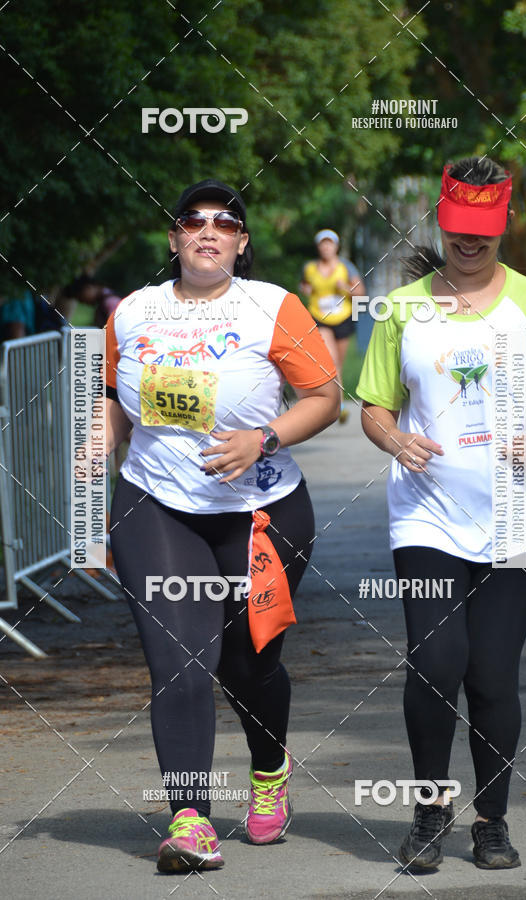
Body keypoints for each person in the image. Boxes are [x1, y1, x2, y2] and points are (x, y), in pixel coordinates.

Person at [357, 156, 526, 871]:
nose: (468, 241)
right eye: (457, 228)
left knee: (492, 674)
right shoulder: (404, 308)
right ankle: (430, 811)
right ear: (441, 216)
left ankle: (490, 821)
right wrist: (395, 438)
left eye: (482, 230)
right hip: (426, 517)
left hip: (517, 524)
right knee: (436, 663)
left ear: (508, 222)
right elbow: (373, 406)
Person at [102, 179, 339, 873]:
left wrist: (261, 438)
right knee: (180, 660)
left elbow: (324, 398)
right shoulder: (135, 310)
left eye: (224, 222)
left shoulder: (273, 307)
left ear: (241, 241)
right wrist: (98, 441)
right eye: (192, 220)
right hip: (156, 505)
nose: (208, 230)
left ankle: (269, 768)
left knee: (247, 663)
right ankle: (190, 820)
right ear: (174, 238)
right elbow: (114, 399)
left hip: (261, 513)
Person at [300, 229, 365, 422]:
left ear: (335, 246)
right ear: (319, 247)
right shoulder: (310, 267)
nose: (326, 247)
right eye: (323, 244)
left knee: (339, 365)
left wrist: (344, 287)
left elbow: (361, 292)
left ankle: (338, 401)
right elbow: (303, 285)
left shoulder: (346, 267)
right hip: (320, 318)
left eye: (329, 243)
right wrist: (306, 289)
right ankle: (339, 405)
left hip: (343, 318)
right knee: (331, 360)